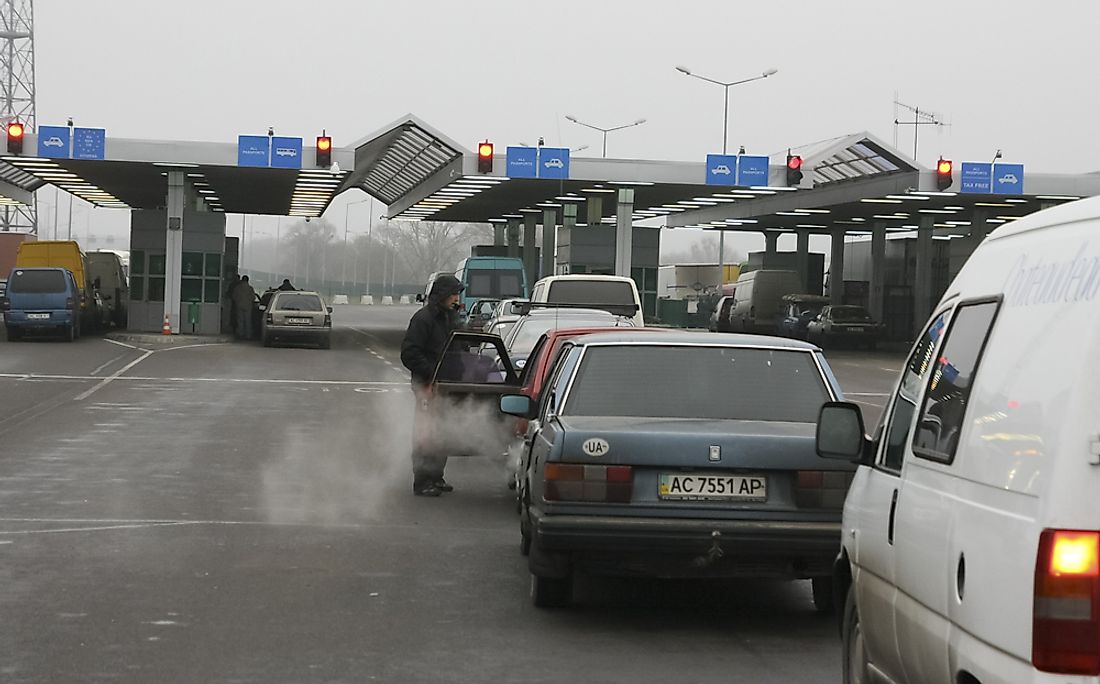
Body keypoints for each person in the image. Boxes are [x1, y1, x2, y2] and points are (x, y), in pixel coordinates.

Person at [400, 274, 464, 497]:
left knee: (443, 431)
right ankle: (422, 480)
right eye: (454, 294)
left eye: (458, 294)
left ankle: (436, 475)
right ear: (442, 295)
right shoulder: (423, 319)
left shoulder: (451, 318)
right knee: (426, 432)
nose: (457, 299)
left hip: (448, 385)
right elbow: (409, 353)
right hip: (427, 385)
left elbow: (459, 348)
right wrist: (431, 373)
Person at [232, 275, 257, 340]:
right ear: (248, 280)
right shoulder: (250, 288)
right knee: (248, 321)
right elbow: (253, 298)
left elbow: (234, 296)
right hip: (248, 306)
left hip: (239, 305)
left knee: (240, 320)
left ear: (242, 280)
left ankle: (241, 334)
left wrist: (238, 301)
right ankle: (248, 335)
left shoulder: (237, 288)